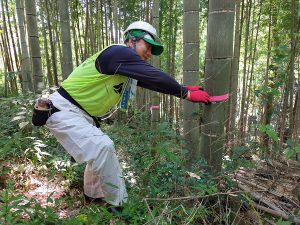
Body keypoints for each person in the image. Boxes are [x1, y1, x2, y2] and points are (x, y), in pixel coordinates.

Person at [44, 21, 210, 211]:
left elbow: (151, 82)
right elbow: (153, 76)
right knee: (103, 146)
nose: (149, 54)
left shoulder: (124, 66)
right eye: (148, 47)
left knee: (97, 153)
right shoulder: (119, 53)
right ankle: (118, 205)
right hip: (63, 109)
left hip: (80, 114)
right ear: (132, 39)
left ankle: (93, 197)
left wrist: (184, 89)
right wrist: (184, 93)